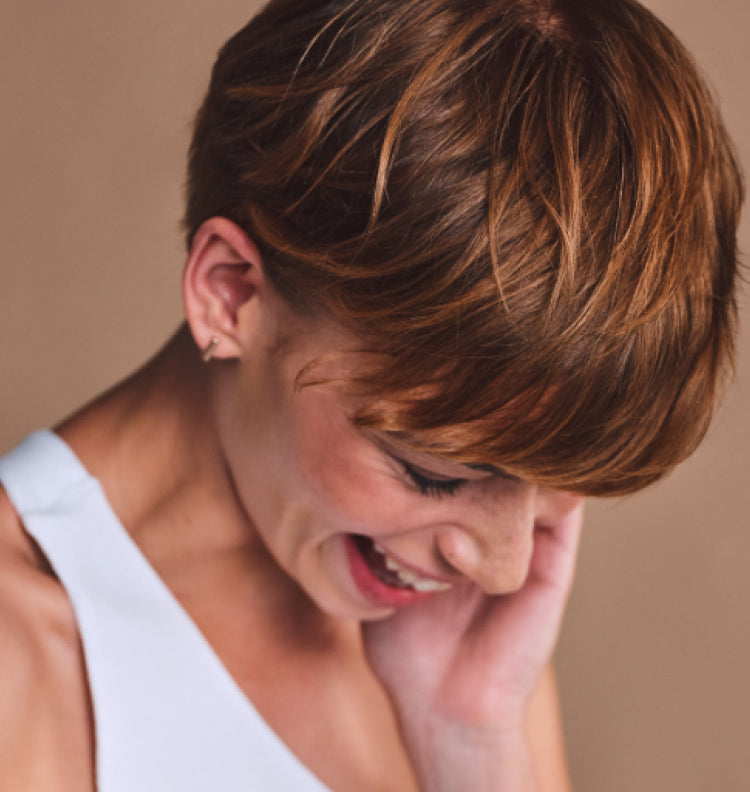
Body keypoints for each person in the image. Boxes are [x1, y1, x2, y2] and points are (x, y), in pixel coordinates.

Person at [0, 0, 742, 789]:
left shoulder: (457, 628)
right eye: (434, 475)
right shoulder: (22, 662)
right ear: (230, 292)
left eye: (552, 488)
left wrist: (472, 744)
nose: (503, 569)